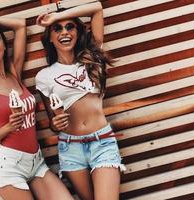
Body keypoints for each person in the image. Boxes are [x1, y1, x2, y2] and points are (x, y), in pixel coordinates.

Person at [0, 16, 73, 200]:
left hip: (37, 163)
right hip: (10, 169)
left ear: (4, 44)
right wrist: (8, 127)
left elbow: (20, 25)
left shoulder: (13, 74)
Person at [35, 1, 126, 200]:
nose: (64, 32)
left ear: (78, 32)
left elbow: (97, 9)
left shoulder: (93, 57)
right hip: (70, 147)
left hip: (102, 142)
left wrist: (56, 17)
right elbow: (53, 122)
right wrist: (55, 123)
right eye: (57, 29)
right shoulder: (44, 76)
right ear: (49, 37)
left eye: (70, 26)